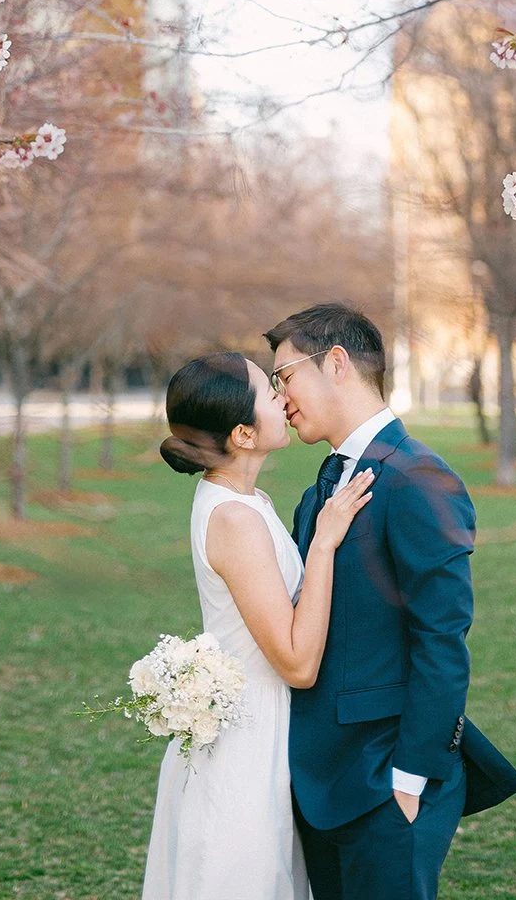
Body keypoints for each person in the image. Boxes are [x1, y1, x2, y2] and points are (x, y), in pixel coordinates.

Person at [266, 303, 516, 900]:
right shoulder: (318, 492)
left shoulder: (419, 478)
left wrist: (409, 780)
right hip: (319, 780)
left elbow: (441, 638)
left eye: (285, 378)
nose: (281, 399)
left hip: (387, 783)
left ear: (335, 363)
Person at [141, 350, 374, 900]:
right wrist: (324, 541)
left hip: (260, 731)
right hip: (248, 749)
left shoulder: (245, 500)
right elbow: (295, 662)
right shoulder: (235, 520)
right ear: (244, 434)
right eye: (270, 391)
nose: (283, 395)